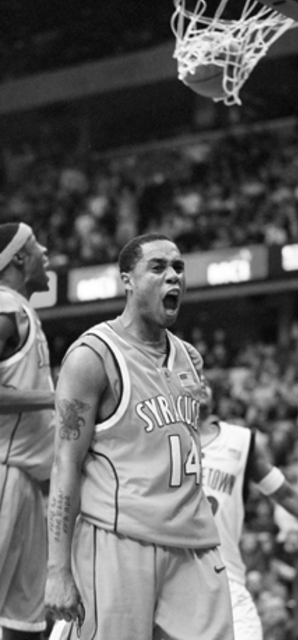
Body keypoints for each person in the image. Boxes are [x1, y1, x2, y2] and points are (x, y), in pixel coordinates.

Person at [45, 233, 234, 640]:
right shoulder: (91, 357)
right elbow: (65, 463)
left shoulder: (189, 357)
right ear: (126, 279)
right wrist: (57, 569)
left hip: (194, 543)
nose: (173, 277)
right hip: (119, 541)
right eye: (158, 267)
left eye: (179, 268)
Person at [198, 378, 298, 640]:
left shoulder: (239, 440)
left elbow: (286, 493)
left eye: (203, 380)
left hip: (226, 577)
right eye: (188, 378)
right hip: (172, 578)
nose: (198, 384)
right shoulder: (157, 441)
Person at [0, 222, 55, 640]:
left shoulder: (21, 309)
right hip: (4, 470)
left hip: (29, 482)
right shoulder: (4, 307)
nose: (47, 251)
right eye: (38, 246)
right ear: (19, 257)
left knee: (26, 622)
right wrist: (59, 398)